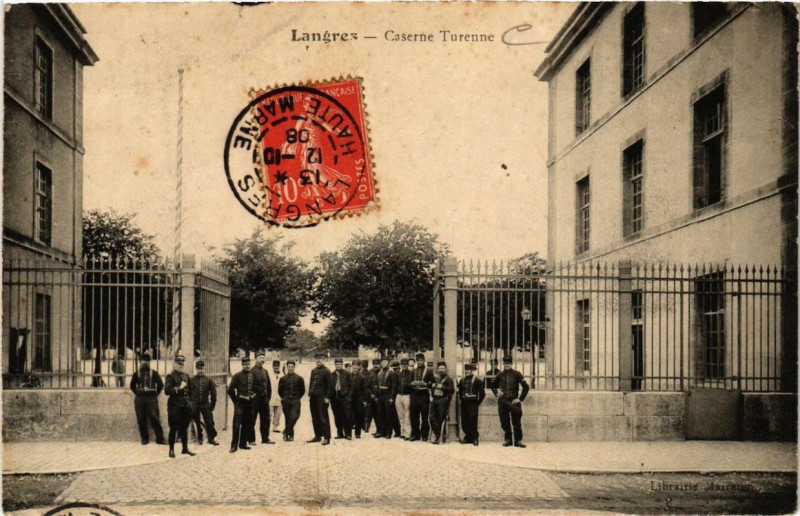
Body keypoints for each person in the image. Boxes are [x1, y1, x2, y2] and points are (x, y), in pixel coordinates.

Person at [491, 355, 530, 448]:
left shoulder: (517, 374)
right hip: (503, 401)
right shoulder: (500, 374)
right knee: (504, 421)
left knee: (516, 421)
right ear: (503, 364)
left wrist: (520, 399)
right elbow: (492, 385)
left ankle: (518, 440)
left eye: (508, 363)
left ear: (511, 363)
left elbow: (526, 387)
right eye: (505, 363)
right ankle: (508, 439)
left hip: (514, 401)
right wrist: (497, 393)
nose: (507, 365)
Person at [129, 353, 166, 445]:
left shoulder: (154, 373)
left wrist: (155, 394)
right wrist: (138, 392)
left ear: (149, 362)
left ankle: (160, 438)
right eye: (142, 361)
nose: (144, 363)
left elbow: (161, 385)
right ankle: (144, 438)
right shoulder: (136, 374)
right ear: (140, 362)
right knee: (141, 418)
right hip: (140, 399)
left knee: (154, 418)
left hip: (151, 398)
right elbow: (132, 386)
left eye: (146, 361)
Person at [164, 355, 195, 458]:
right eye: (178, 364)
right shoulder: (170, 376)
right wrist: (178, 388)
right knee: (173, 428)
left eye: (182, 364)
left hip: (185, 406)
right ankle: (171, 450)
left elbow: (190, 389)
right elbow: (167, 391)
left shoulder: (186, 376)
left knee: (184, 428)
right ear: (174, 364)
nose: (181, 366)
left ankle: (185, 448)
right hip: (174, 407)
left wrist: (189, 403)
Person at [228, 356, 255, 453]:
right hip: (240, 404)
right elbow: (230, 390)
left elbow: (253, 389)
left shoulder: (252, 376)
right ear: (242, 365)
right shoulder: (237, 376)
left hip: (249, 404)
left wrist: (253, 396)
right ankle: (234, 445)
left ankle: (243, 443)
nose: (247, 366)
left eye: (248, 364)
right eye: (245, 364)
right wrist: (235, 401)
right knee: (236, 425)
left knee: (247, 424)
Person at [248, 351, 275, 446]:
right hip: (255, 400)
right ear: (256, 359)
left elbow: (269, 386)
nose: (262, 360)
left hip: (264, 400)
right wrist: (252, 398)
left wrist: (268, 397)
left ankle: (265, 438)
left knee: (266, 419)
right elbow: (249, 386)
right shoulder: (251, 371)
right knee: (252, 419)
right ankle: (251, 439)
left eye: (263, 358)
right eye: (260, 358)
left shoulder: (265, 371)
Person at [189, 359, 219, 446]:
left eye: (201, 368)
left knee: (209, 422)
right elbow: (188, 393)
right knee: (197, 422)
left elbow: (213, 394)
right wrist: (191, 404)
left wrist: (212, 405)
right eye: (198, 369)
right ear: (196, 369)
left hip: (205, 404)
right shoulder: (191, 380)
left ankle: (211, 438)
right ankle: (200, 438)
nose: (200, 371)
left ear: (204, 369)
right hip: (194, 405)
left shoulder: (208, 380)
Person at [307, 353, 334, 445]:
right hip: (313, 397)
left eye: (320, 359)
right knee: (315, 417)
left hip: (322, 398)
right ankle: (317, 436)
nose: (318, 361)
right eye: (317, 359)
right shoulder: (313, 371)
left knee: (323, 417)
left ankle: (327, 437)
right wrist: (310, 394)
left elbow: (330, 386)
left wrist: (327, 397)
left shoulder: (327, 371)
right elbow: (311, 384)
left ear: (324, 360)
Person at [458, 362, 486, 446]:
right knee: (464, 421)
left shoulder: (478, 380)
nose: (467, 371)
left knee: (473, 420)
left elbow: (482, 394)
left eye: (469, 370)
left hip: (473, 403)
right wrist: (463, 398)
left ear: (472, 370)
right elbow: (460, 393)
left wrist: (477, 403)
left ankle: (474, 438)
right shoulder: (462, 380)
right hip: (464, 403)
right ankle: (468, 437)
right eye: (466, 370)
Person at [409, 353, 435, 442]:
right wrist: (412, 384)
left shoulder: (428, 371)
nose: (420, 362)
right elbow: (409, 383)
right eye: (418, 360)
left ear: (424, 360)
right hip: (414, 395)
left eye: (421, 360)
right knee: (414, 416)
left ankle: (424, 434)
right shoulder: (413, 371)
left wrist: (426, 384)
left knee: (424, 416)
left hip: (424, 395)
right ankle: (415, 434)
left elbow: (433, 383)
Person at [278, 359, 305, 441]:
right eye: (289, 367)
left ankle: (286, 430)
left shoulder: (299, 378)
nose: (290, 368)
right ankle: (289, 435)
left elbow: (302, 390)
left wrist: (297, 398)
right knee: (288, 417)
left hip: (295, 400)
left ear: (294, 367)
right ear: (286, 367)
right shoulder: (283, 379)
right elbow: (280, 391)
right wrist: (284, 398)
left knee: (295, 416)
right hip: (286, 400)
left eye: (292, 367)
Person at [429, 361, 455, 445]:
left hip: (443, 400)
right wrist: (432, 388)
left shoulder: (448, 379)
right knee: (431, 417)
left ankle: (440, 437)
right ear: (437, 369)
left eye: (443, 368)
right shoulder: (436, 378)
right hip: (435, 400)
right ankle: (438, 434)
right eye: (440, 368)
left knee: (441, 418)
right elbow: (432, 389)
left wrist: (443, 387)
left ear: (445, 369)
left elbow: (452, 390)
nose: (441, 370)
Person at [375, 356, 398, 439]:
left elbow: (394, 386)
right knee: (380, 413)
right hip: (381, 395)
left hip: (388, 395)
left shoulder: (392, 373)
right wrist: (377, 395)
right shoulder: (380, 372)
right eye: (382, 362)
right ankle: (382, 432)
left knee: (388, 414)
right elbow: (377, 385)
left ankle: (388, 433)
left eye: (385, 362)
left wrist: (392, 397)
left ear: (388, 363)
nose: (383, 363)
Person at [331, 357, 353, 440]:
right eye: (337, 364)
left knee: (347, 416)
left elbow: (351, 386)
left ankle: (348, 434)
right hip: (335, 399)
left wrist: (348, 397)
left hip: (345, 398)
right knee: (337, 416)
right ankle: (339, 433)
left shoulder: (347, 374)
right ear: (335, 365)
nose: (338, 366)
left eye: (340, 364)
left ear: (342, 365)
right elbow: (329, 387)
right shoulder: (332, 374)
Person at [396, 358, 413, 440]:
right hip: (399, 395)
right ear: (401, 365)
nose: (404, 365)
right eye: (402, 364)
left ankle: (407, 434)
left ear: (408, 365)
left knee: (407, 415)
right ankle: (402, 432)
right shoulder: (399, 373)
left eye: (405, 364)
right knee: (400, 414)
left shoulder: (411, 373)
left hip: (407, 395)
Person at [350, 360, 366, 438]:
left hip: (359, 399)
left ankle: (357, 433)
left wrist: (364, 400)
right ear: (352, 366)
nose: (355, 367)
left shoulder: (362, 377)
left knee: (358, 416)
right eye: (354, 365)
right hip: (350, 399)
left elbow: (364, 390)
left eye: (357, 365)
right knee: (349, 416)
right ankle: (348, 433)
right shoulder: (348, 376)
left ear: (359, 367)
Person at [365, 358, 381, 434]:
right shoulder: (370, 373)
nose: (375, 366)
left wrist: (378, 396)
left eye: (377, 364)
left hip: (380, 397)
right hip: (372, 397)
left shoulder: (382, 372)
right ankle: (378, 430)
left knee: (380, 415)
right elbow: (367, 386)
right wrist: (370, 394)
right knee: (375, 415)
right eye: (374, 364)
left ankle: (381, 431)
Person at [388, 359, 402, 437]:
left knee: (396, 415)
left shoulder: (397, 374)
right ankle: (397, 431)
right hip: (394, 395)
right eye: (395, 368)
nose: (397, 370)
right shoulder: (393, 374)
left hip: (397, 395)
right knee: (394, 414)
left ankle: (398, 431)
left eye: (398, 368)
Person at [270, 360, 283, 434]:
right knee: (269, 413)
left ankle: (275, 427)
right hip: (271, 397)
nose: (276, 367)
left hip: (279, 398)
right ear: (272, 366)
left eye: (277, 366)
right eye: (274, 366)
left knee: (278, 413)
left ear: (279, 366)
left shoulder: (282, 375)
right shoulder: (269, 374)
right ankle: (267, 426)